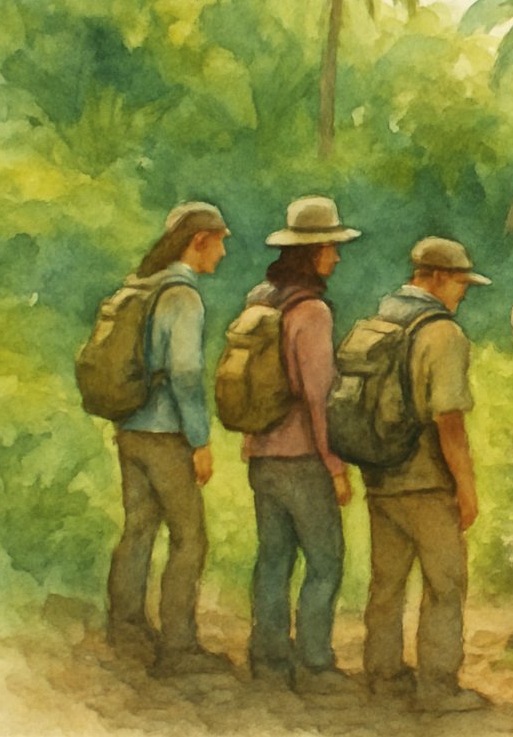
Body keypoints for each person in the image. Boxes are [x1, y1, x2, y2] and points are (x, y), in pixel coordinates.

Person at [362, 237, 489, 713]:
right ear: (435, 277)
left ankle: (383, 676)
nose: (463, 293)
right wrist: (466, 488)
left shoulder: (379, 322)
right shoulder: (443, 335)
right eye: (460, 283)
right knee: (445, 583)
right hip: (427, 482)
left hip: (381, 476)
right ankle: (438, 687)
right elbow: (450, 422)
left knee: (386, 583)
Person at [107, 201, 230, 676]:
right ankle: (178, 647)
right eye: (219, 242)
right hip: (164, 436)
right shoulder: (183, 296)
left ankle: (126, 630)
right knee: (189, 539)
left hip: (129, 430)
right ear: (198, 240)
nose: (221, 253)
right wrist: (199, 440)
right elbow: (183, 373)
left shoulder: (141, 286)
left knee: (137, 530)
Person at [242, 196, 359, 694]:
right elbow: (318, 395)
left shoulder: (260, 299)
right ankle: (314, 663)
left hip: (261, 456)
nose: (335, 257)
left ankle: (268, 660)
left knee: (273, 558)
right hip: (303, 458)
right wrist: (335, 466)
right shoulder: (311, 312)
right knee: (326, 560)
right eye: (331, 248)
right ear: (313, 253)